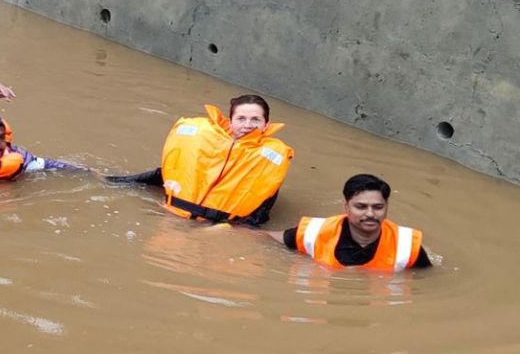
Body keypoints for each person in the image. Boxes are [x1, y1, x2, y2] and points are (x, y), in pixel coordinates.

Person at [107, 94, 294, 226]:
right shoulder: (203, 140)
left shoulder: (269, 159)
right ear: (230, 121)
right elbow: (168, 173)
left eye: (255, 119)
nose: (247, 125)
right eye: (241, 118)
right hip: (170, 215)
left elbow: (259, 215)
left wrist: (226, 229)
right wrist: (113, 181)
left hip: (217, 228)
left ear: (266, 124)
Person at [265, 174, 432, 270]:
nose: (370, 214)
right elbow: (268, 238)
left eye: (378, 207)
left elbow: (428, 279)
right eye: (361, 206)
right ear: (346, 207)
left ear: (387, 207)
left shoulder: (408, 246)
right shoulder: (314, 231)